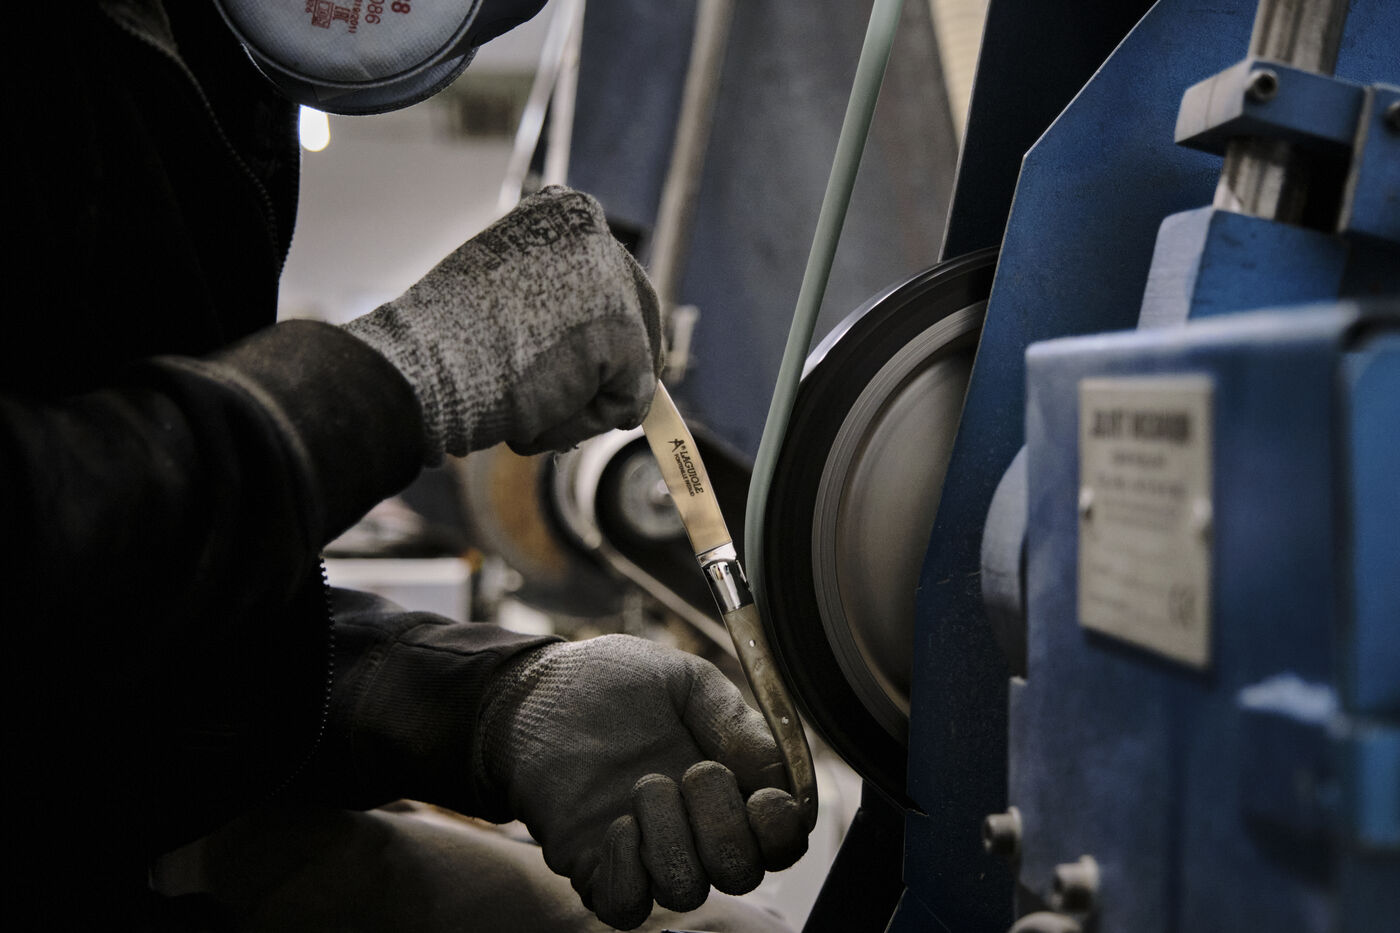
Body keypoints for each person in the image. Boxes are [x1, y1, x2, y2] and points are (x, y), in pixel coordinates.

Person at [5, 2, 810, 929]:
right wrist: (406, 374)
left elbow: (144, 623)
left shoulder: (209, 68)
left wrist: (482, 706)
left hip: (134, 811)